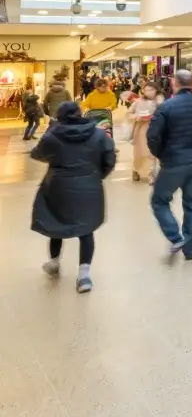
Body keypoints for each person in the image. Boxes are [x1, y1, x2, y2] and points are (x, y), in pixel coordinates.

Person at [32, 101, 116, 293]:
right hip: (90, 185)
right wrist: (97, 176)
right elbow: (109, 158)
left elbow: (38, 154)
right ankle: (84, 276)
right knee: (86, 229)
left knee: (55, 223)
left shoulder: (53, 135)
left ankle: (54, 262)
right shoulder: (97, 134)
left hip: (58, 185)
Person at [147, 70, 192, 261]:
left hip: (172, 163)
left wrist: (161, 154)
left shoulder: (165, 107)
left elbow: (153, 136)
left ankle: (175, 237)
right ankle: (190, 249)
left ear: (174, 83)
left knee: (159, 201)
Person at [128, 82, 163, 183]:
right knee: (140, 152)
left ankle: (151, 174)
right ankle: (136, 170)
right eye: (146, 90)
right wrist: (136, 117)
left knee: (152, 153)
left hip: (156, 129)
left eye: (151, 90)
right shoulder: (139, 101)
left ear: (156, 90)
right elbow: (129, 113)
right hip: (141, 129)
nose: (148, 92)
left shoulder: (160, 102)